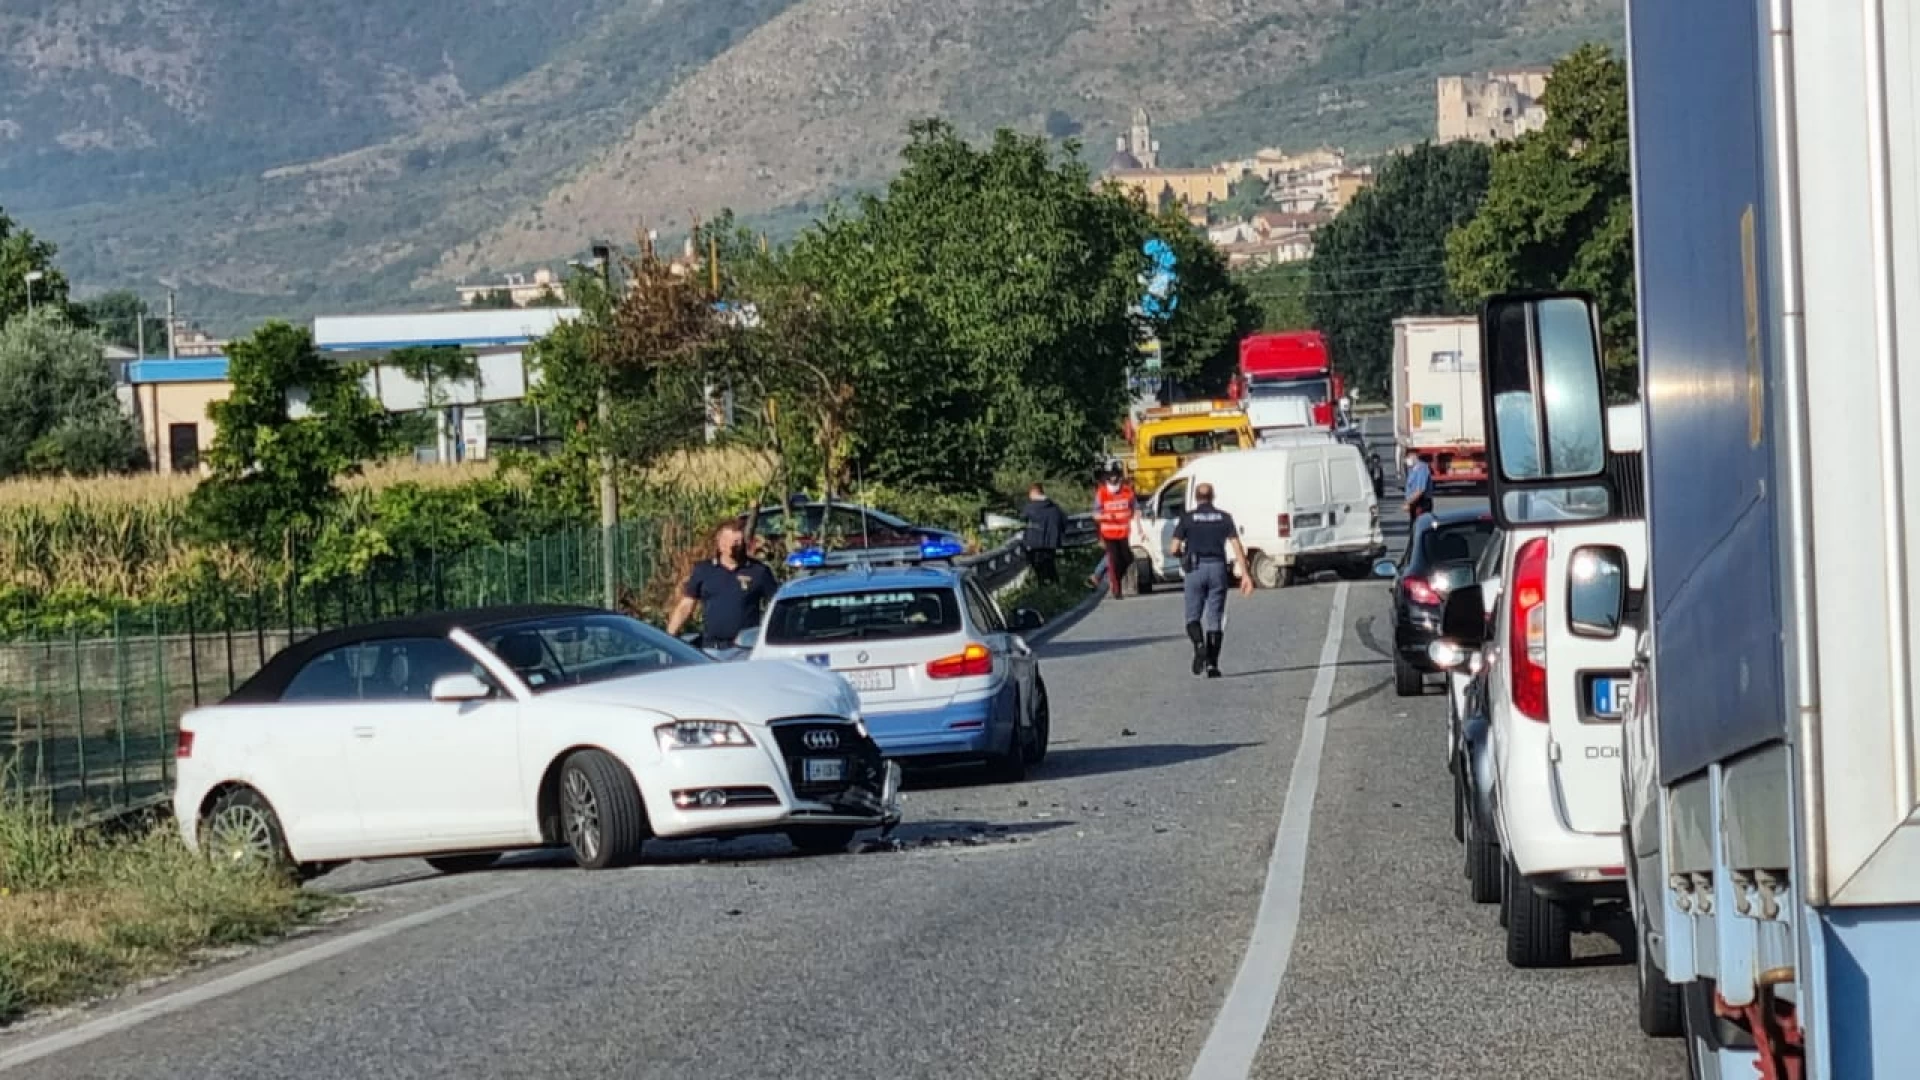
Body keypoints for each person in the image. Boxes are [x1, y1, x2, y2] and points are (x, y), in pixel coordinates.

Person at [1170, 482, 1255, 678]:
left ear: (1196, 498)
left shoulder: (1188, 518)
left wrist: (1182, 554)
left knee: (1192, 616)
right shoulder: (1224, 518)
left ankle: (1199, 645)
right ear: (1213, 497)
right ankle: (1212, 665)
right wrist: (1245, 575)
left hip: (1195, 569)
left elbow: (1174, 548)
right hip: (1217, 567)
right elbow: (1237, 546)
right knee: (1215, 618)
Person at [665, 522, 779, 650]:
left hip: (746, 649)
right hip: (712, 649)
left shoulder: (759, 571)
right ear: (719, 543)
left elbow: (777, 605)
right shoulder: (704, 570)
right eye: (727, 540)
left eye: (737, 541)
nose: (732, 545)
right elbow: (685, 606)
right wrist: (668, 638)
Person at [1093, 461, 1137, 600]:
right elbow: (1095, 514)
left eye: (1115, 475)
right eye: (1110, 476)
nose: (1113, 479)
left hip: (1124, 533)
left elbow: (1135, 508)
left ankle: (1114, 578)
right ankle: (1116, 588)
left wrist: (1138, 517)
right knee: (1114, 561)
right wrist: (1106, 517)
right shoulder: (1102, 493)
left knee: (1127, 559)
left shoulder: (1127, 491)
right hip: (1109, 534)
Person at [1019, 483, 1069, 585]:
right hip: (1051, 543)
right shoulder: (1055, 507)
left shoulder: (1030, 508)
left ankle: (1043, 586)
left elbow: (1020, 522)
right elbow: (1064, 521)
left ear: (1033, 493)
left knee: (1038, 567)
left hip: (1034, 543)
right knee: (1050, 565)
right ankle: (1055, 585)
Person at [1403, 450, 1434, 524]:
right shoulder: (1412, 469)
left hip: (1421, 503)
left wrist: (1408, 502)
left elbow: (1420, 490)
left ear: (1414, 456)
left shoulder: (1422, 468)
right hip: (1415, 503)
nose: (1406, 460)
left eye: (1407, 457)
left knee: (1420, 526)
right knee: (1414, 527)